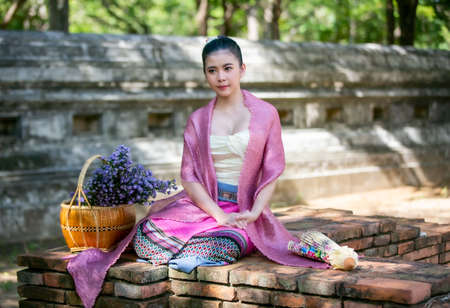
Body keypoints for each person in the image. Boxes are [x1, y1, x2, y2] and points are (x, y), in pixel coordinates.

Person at [66, 36, 329, 308]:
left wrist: (254, 211)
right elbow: (189, 176)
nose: (221, 77)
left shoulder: (266, 114)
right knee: (147, 235)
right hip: (202, 206)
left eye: (227, 68)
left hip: (244, 210)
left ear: (242, 69)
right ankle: (191, 250)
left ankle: (197, 249)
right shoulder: (198, 120)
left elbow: (272, 170)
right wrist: (218, 214)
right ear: (205, 74)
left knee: (227, 242)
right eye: (212, 70)